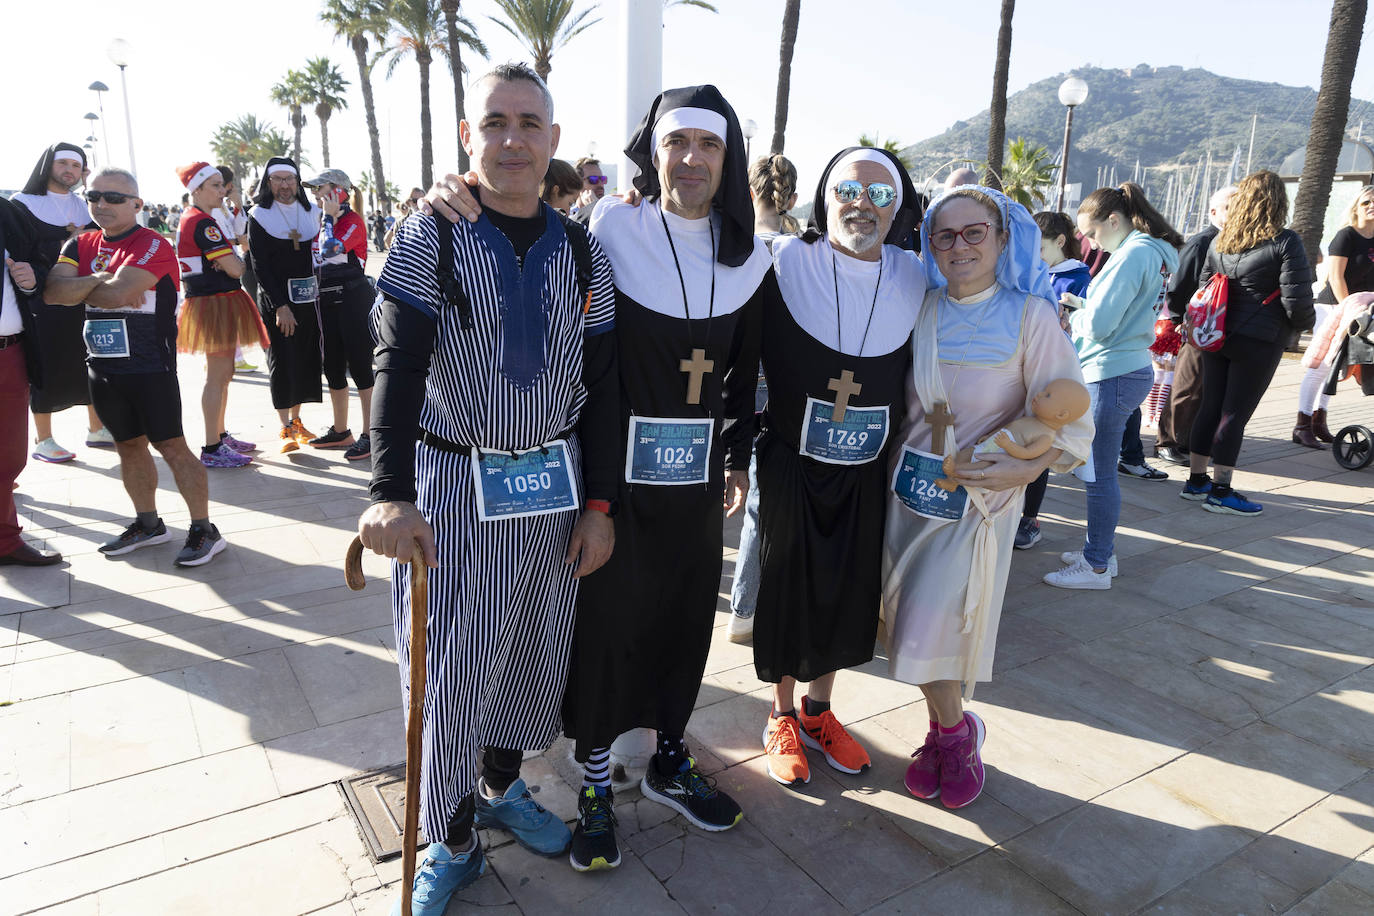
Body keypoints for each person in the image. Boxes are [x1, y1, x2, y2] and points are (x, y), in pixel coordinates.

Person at [423, 84, 770, 867]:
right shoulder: (610, 229)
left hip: (694, 480)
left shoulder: (752, 256)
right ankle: (592, 782)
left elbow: (745, 376)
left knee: (684, 618)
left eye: (709, 146)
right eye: (677, 143)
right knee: (607, 629)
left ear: (728, 158)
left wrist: (739, 456)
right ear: (655, 152)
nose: (691, 160)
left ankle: (671, 758)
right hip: (611, 476)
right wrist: (458, 187)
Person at [359, 63, 618, 914]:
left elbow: (606, 386)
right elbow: (396, 364)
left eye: (530, 123)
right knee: (449, 670)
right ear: (470, 135)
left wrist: (600, 505)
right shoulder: (431, 233)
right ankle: (454, 834)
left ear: (553, 139)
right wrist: (389, 489)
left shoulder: (584, 249)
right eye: (495, 122)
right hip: (450, 482)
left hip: (551, 482)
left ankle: (503, 789)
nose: (513, 139)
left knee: (532, 652)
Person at [882, 186, 1092, 809]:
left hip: (976, 503)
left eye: (974, 233)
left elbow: (1072, 417)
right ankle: (948, 725)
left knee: (930, 622)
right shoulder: (916, 310)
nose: (959, 246)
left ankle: (954, 735)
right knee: (903, 625)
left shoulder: (1033, 316)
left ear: (1002, 239)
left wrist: (1027, 473)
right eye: (944, 236)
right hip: (906, 494)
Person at [754, 147, 926, 789]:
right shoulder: (783, 259)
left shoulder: (915, 274)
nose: (864, 206)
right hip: (793, 462)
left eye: (882, 196)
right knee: (789, 584)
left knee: (849, 589)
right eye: (850, 191)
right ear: (824, 197)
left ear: (899, 207)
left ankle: (820, 712)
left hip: (867, 466)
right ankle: (779, 715)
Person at [44, 168, 227, 567]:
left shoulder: (152, 242)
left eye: (113, 197)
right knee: (127, 446)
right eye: (94, 196)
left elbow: (117, 295)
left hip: (150, 364)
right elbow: (54, 292)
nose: (101, 204)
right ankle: (148, 524)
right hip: (103, 364)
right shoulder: (80, 243)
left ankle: (205, 529)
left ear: (137, 205)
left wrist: (87, 285)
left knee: (172, 446)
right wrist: (98, 277)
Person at [1044, 183, 1179, 589]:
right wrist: (1084, 306)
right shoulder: (1150, 252)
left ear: (1114, 220)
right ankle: (1100, 551)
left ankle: (1096, 564)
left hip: (1112, 370)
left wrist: (1077, 315)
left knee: (1099, 473)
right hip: (1127, 366)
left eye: (1092, 233)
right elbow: (1124, 313)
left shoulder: (1132, 254)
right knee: (1099, 470)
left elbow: (1102, 326)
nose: (1089, 243)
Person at [1174, 171, 1314, 515]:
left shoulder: (1220, 241)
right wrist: (1303, 327)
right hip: (1260, 339)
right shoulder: (1285, 241)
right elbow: (1297, 301)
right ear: (1279, 202)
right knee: (1234, 414)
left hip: (1217, 335)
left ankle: (1195, 482)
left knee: (1211, 406)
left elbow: (1204, 286)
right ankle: (1221, 491)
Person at [725, 152, 800, 645]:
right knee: (760, 496)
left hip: (735, 380)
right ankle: (749, 606)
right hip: (780, 382)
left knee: (742, 492)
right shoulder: (800, 253)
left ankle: (743, 607)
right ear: (792, 197)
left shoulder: (736, 248)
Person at [11, 143, 111, 462]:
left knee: (89, 358)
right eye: (62, 163)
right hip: (41, 298)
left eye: (75, 165)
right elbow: (19, 254)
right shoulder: (21, 204)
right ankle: (44, 439)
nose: (69, 170)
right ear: (47, 166)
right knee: (46, 364)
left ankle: (97, 428)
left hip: (82, 295)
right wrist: (66, 240)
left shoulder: (86, 205)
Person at [173, 161, 267, 469]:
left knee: (224, 375)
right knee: (217, 376)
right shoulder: (201, 222)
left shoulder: (199, 218)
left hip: (216, 300)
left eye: (221, 184)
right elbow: (237, 268)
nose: (222, 189)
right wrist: (234, 256)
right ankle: (212, 446)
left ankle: (220, 435)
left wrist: (230, 257)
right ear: (196, 189)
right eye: (215, 185)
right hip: (212, 302)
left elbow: (230, 262)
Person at [1015, 210, 1092, 549]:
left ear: (1060, 242)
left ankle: (1030, 518)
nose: (1035, 255)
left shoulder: (1077, 277)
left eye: (1040, 247)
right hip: (1025, 369)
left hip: (1057, 371)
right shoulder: (1033, 272)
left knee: (1040, 437)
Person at [0, 195, 62, 566]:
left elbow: (42, 260)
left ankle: (5, 542)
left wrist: (31, 279)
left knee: (8, 456)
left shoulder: (9, 212)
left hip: (11, 353)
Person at [248, 157, 322, 453]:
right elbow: (259, 265)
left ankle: (298, 421)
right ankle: (284, 427)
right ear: (268, 183)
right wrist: (280, 305)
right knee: (281, 360)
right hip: (277, 301)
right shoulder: (258, 215)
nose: (284, 185)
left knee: (303, 359)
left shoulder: (312, 212)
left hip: (307, 300)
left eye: (289, 179)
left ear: (297, 182)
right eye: (277, 180)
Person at [1156, 185, 1235, 463]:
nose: (1236, 210)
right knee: (1187, 386)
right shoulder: (1202, 241)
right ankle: (1169, 441)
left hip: (1215, 326)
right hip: (1195, 323)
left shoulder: (1230, 240)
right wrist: (1179, 320)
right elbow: (1178, 284)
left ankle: (1189, 440)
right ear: (1214, 211)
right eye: (1230, 205)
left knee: (1204, 388)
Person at [303, 169, 375, 462]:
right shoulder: (322, 221)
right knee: (332, 367)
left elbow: (331, 250)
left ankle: (371, 434)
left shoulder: (351, 221)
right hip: (326, 301)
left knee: (360, 368)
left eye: (320, 188)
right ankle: (341, 430)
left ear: (339, 191)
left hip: (353, 299)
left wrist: (328, 219)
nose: (315, 194)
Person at [1296, 185, 1374, 447]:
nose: (1371, 206)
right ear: (1356, 208)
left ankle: (1320, 421)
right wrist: (1347, 311)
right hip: (1334, 307)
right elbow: (1335, 277)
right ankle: (1302, 424)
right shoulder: (1346, 236)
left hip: (1361, 311)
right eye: (1366, 202)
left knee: (1337, 368)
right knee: (1322, 367)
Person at [569, 157, 608, 224]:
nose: (600, 184)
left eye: (602, 179)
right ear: (578, 184)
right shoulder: (568, 218)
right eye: (593, 180)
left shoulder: (609, 211)